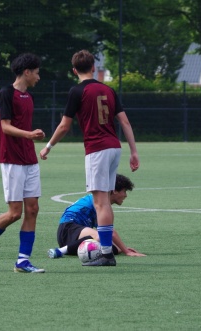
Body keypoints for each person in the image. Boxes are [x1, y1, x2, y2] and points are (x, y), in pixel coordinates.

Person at [40, 49, 140, 267]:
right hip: (115, 147)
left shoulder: (77, 91)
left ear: (74, 70)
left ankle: (105, 254)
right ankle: (106, 250)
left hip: (97, 150)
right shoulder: (109, 90)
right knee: (104, 200)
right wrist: (133, 151)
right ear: (94, 67)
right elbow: (125, 122)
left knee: (100, 202)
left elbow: (65, 125)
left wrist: (48, 147)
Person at [0, 53, 46, 273]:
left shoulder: (30, 97)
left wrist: (32, 136)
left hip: (29, 159)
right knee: (15, 213)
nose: (38, 77)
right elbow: (4, 127)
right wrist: (29, 135)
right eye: (36, 72)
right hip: (12, 159)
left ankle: (23, 261)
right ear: (26, 72)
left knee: (32, 209)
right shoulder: (6, 93)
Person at [47, 174, 146, 259]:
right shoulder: (99, 202)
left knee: (113, 247)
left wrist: (122, 249)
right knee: (100, 237)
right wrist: (127, 251)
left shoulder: (103, 203)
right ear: (115, 191)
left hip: (76, 237)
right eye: (124, 191)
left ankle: (69, 249)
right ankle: (60, 251)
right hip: (68, 229)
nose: (125, 195)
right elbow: (110, 232)